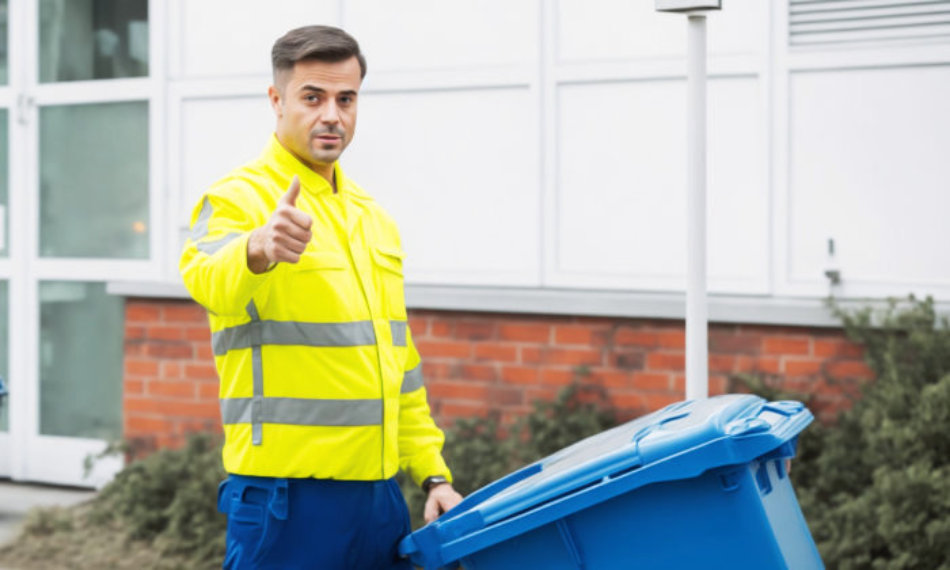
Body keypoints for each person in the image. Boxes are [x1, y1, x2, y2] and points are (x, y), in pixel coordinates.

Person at [179, 25, 463, 570]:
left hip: (379, 499)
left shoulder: (372, 218)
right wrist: (257, 247)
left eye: (345, 98)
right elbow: (205, 278)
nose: (331, 114)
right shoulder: (238, 198)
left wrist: (432, 473)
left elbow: (398, 364)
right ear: (277, 100)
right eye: (313, 97)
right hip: (288, 501)